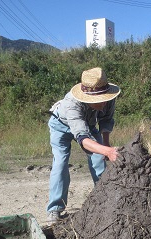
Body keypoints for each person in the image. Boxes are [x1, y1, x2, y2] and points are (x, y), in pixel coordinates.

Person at [46, 67, 121, 224]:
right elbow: (83, 139)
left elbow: (106, 120)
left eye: (104, 98)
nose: (103, 102)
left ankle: (104, 200)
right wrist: (107, 151)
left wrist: (106, 146)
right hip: (61, 125)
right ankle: (55, 209)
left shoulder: (108, 97)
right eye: (99, 100)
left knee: (99, 160)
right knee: (61, 162)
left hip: (88, 124)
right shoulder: (71, 104)